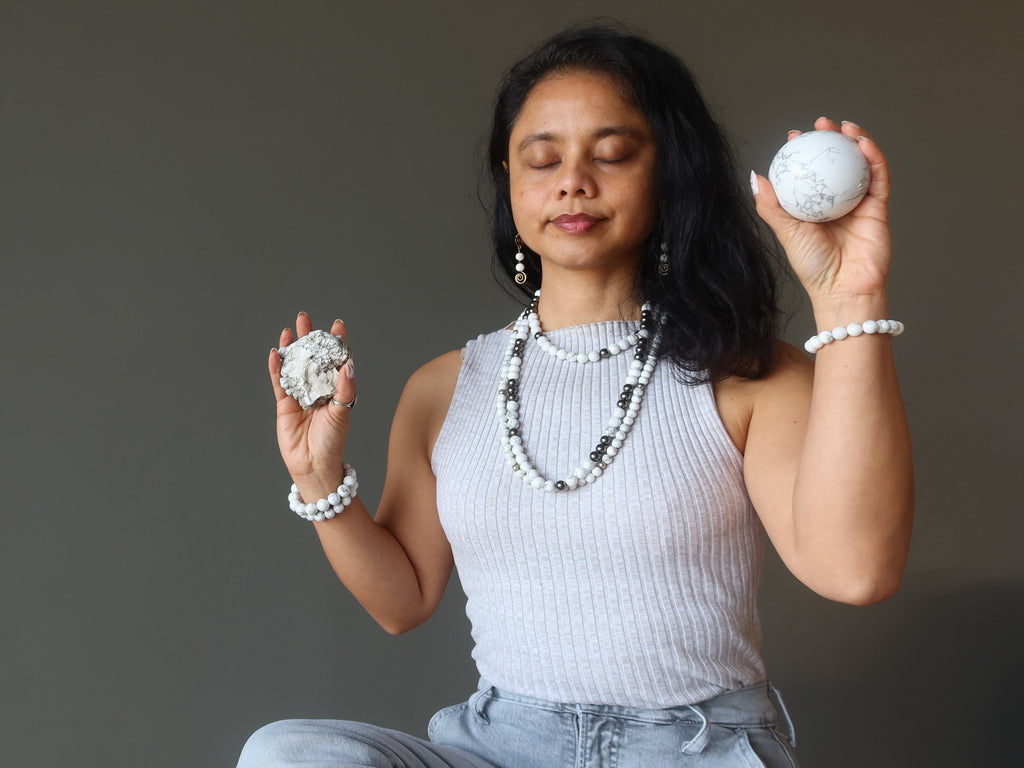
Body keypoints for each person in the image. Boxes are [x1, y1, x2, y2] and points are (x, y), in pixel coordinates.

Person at [237, 23, 913, 768]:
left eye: (613, 153)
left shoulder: (749, 373)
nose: (572, 181)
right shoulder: (443, 387)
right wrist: (317, 476)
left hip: (694, 750)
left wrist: (850, 301)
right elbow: (403, 601)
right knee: (288, 753)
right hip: (499, 748)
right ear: (510, 177)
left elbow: (856, 571)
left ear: (669, 172)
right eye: (542, 157)